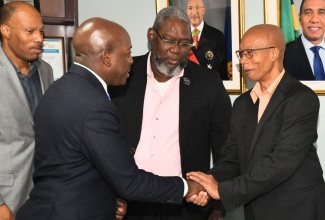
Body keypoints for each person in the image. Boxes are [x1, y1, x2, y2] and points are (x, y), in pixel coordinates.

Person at [15, 17, 207, 220]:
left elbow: (74, 166)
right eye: (127, 53)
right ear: (107, 58)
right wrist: (186, 187)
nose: (132, 61)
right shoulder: (96, 107)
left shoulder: (57, 90)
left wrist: (107, 198)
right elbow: (130, 183)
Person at [187, 24, 325, 220]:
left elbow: (280, 162)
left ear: (274, 53)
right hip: (255, 210)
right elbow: (232, 159)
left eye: (250, 53)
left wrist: (222, 190)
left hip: (298, 209)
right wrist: (206, 182)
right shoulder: (242, 103)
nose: (243, 60)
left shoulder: (302, 99)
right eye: (241, 53)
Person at [110, 6, 231, 220]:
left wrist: (216, 201)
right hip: (130, 203)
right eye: (169, 40)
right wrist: (107, 192)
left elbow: (226, 148)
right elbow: (103, 141)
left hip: (187, 205)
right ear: (151, 35)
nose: (177, 50)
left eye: (184, 43)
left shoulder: (208, 83)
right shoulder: (123, 76)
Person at [0, 2, 54, 219]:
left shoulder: (46, 70)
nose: (39, 38)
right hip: (7, 195)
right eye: (30, 31)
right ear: (6, 31)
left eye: (41, 31)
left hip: (43, 193)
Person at [186, 0, 229, 80]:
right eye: (190, 8)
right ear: (187, 11)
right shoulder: (180, 36)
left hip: (209, 86)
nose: (194, 13)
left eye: (197, 8)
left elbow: (222, 70)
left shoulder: (217, 36)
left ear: (203, 10)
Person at [284, 0, 325, 80]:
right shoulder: (283, 55)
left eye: (321, 13)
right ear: (300, 19)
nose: (314, 20)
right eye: (308, 13)